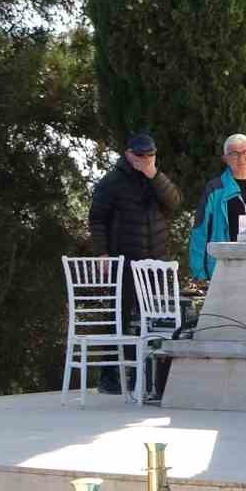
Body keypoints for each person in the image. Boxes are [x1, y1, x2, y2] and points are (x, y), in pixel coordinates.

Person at [87, 132, 182, 394]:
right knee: (119, 318)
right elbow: (97, 219)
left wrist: (154, 176)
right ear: (128, 154)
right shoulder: (112, 182)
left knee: (155, 319)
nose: (145, 160)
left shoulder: (156, 178)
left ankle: (148, 377)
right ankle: (110, 377)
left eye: (150, 156)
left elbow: (174, 202)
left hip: (155, 262)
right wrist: (102, 252)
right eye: (141, 156)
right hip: (126, 262)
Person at [188, 133, 246, 280]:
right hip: (224, 267)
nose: (241, 158)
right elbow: (200, 231)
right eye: (234, 154)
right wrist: (199, 274)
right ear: (225, 158)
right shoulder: (215, 189)